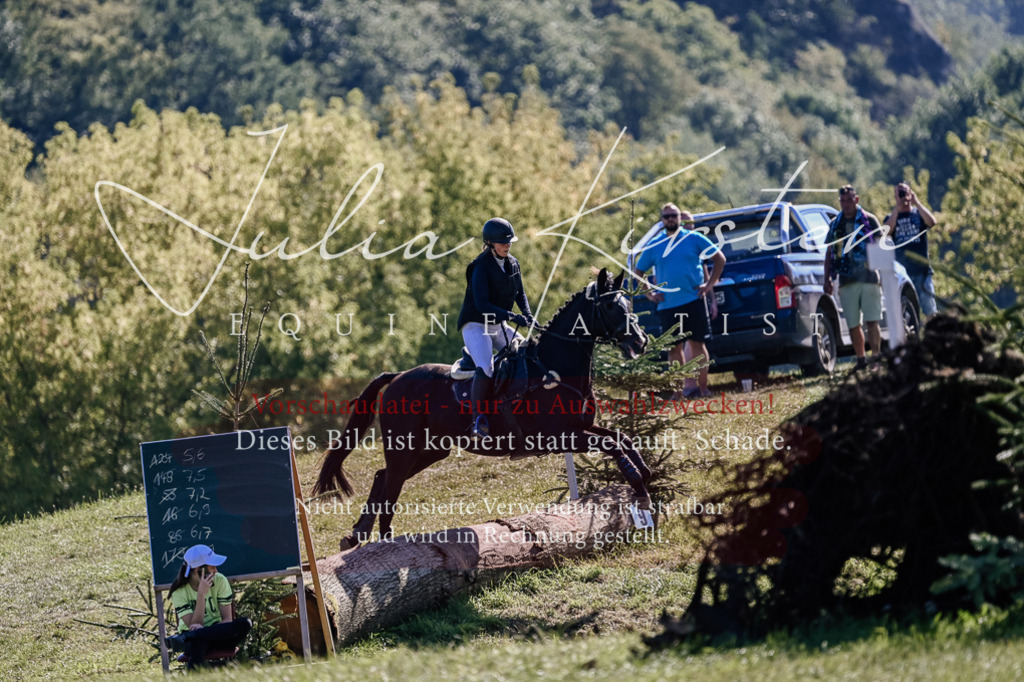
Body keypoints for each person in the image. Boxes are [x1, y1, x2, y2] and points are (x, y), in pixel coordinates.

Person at [634, 203, 725, 399]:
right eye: (666, 216)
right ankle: (678, 392)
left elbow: (720, 259)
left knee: (698, 345)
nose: (670, 219)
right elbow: (639, 271)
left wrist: (708, 286)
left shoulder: (693, 238)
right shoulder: (655, 244)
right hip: (667, 305)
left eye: (673, 215)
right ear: (662, 220)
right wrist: (650, 294)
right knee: (674, 349)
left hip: (694, 300)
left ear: (679, 218)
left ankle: (703, 389)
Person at [456, 217, 535, 438]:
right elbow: (482, 305)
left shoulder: (513, 263)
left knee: (524, 352)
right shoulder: (479, 267)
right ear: (490, 243)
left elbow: (520, 293)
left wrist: (527, 314)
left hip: (497, 324)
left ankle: (515, 405)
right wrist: (512, 316)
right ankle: (478, 419)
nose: (507, 245)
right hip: (475, 325)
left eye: (509, 242)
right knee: (487, 366)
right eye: (502, 242)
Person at [824, 185, 885, 372]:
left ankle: (876, 357)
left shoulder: (869, 220)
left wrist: (881, 272)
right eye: (843, 201)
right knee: (852, 323)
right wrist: (826, 278)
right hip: (846, 279)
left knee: (872, 320)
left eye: (849, 200)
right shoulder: (835, 224)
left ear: (856, 199)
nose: (846, 204)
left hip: (868, 278)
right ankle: (860, 359)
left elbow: (880, 247)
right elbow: (829, 252)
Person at [165, 544, 251, 669]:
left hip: (218, 634)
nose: (216, 570)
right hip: (195, 640)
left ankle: (185, 637)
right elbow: (193, 626)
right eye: (212, 567)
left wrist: (201, 632)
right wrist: (201, 594)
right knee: (198, 642)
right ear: (198, 570)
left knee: (245, 623)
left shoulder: (220, 580)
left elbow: (227, 620)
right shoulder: (179, 592)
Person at [883, 181, 937, 320]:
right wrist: (897, 208)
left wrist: (916, 202)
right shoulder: (892, 217)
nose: (903, 196)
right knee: (907, 313)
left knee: (930, 310)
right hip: (903, 273)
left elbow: (931, 222)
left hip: (922, 272)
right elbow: (885, 233)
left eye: (905, 192)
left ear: (910, 193)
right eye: (899, 193)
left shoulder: (918, 214)